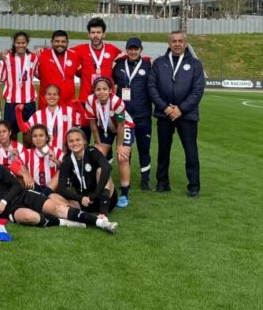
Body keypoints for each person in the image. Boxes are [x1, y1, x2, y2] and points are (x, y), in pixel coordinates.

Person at [0, 146, 117, 233]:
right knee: (30, 217)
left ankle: (99, 222)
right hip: (10, 210)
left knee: (58, 208)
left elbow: (16, 185)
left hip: (22, 195)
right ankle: (63, 223)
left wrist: (4, 201)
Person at [147, 30, 205, 197]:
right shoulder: (159, 63)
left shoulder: (195, 64)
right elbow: (152, 87)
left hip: (187, 115)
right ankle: (162, 183)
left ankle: (194, 186)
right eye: (174, 41)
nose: (177, 44)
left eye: (180, 41)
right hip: (164, 114)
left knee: (191, 151)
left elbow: (197, 90)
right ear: (169, 43)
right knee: (163, 151)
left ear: (185, 43)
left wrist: (180, 109)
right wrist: (165, 107)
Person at [83, 76, 134, 208]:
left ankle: (124, 194)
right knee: (96, 156)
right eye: (98, 89)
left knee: (122, 157)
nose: (101, 92)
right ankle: (97, 188)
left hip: (124, 126)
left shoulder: (117, 102)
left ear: (110, 90)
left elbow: (121, 126)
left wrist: (120, 146)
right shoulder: (89, 101)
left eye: (104, 89)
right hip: (104, 128)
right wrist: (98, 143)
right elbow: (93, 124)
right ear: (94, 91)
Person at [111, 36, 153, 191]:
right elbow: (110, 84)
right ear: (126, 49)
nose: (133, 51)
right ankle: (124, 177)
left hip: (143, 114)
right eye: (130, 48)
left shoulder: (149, 65)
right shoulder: (119, 66)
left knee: (144, 148)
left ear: (141, 50)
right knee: (125, 148)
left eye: (136, 49)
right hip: (123, 115)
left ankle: (145, 181)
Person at [71, 17, 123, 130]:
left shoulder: (112, 49)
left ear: (104, 34)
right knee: (83, 138)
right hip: (86, 100)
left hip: (106, 101)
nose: (95, 35)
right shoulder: (80, 49)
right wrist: (42, 51)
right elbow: (61, 51)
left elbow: (129, 56)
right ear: (88, 35)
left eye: (98, 32)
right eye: (93, 32)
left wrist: (146, 59)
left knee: (105, 139)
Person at [55, 128, 117, 216]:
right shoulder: (66, 161)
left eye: (78, 140)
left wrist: (95, 194)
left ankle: (103, 214)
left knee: (101, 170)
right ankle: (78, 215)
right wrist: (80, 198)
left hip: (104, 198)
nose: (75, 143)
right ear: (67, 144)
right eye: (71, 141)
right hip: (84, 202)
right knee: (53, 197)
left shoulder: (92, 151)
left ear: (84, 141)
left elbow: (107, 167)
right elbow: (61, 189)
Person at [15, 84, 83, 155]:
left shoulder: (69, 112)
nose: (52, 97)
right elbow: (24, 129)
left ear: (59, 96)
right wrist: (18, 112)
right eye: (49, 94)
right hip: (43, 154)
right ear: (45, 96)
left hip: (64, 153)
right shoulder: (38, 114)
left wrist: (79, 106)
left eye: (55, 94)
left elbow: (83, 122)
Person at [1, 31, 37, 142]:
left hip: (29, 102)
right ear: (14, 43)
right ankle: (13, 158)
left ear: (27, 43)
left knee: (29, 133)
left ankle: (28, 157)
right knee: (12, 134)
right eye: (18, 43)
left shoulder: (34, 57)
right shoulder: (6, 57)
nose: (20, 45)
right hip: (12, 102)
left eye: (23, 43)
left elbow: (37, 73)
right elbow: (2, 78)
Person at [34, 30, 80, 110]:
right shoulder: (41, 55)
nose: (60, 44)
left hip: (68, 105)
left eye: (63, 41)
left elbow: (82, 72)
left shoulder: (75, 55)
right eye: (57, 41)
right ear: (51, 42)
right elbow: (21, 54)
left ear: (67, 42)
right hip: (47, 105)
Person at [12, 124, 61, 194]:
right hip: (35, 188)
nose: (38, 139)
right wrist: (25, 174)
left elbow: (67, 167)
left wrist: (55, 160)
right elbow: (13, 165)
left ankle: (46, 194)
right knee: (19, 173)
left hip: (53, 190)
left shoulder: (56, 151)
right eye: (35, 136)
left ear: (47, 137)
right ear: (31, 139)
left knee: (60, 172)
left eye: (41, 135)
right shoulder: (28, 153)